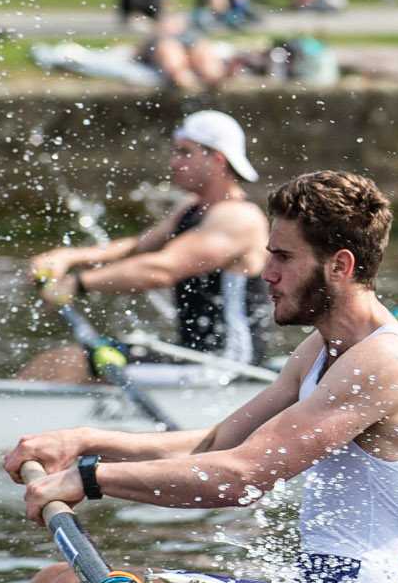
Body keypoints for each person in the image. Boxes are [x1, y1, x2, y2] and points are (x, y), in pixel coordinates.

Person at [0, 171, 398, 583]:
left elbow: (240, 478)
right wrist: (87, 441)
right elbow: (219, 442)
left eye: (284, 257)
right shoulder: (321, 348)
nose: (266, 272)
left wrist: (90, 479)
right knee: (58, 580)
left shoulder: (384, 361)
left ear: (340, 266)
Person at [23, 111, 275, 383]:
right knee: (52, 362)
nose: (173, 162)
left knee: (69, 364)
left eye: (184, 153)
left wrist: (78, 284)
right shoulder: (190, 206)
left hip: (227, 365)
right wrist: (68, 258)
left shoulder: (239, 218)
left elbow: (160, 270)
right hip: (193, 355)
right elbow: (138, 249)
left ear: (217, 160)